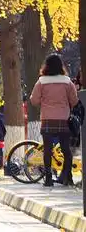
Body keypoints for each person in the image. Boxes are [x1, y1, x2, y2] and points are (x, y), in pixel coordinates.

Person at [30, 54, 78, 186]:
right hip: (64, 119)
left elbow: (34, 100)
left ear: (47, 66)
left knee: (47, 149)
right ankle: (67, 177)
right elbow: (74, 100)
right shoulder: (67, 81)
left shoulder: (41, 81)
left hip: (47, 118)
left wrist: (44, 102)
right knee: (66, 150)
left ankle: (49, 178)